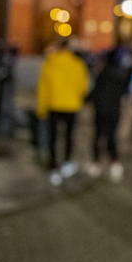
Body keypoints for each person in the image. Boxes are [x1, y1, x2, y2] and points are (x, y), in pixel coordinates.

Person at [36, 37, 91, 186]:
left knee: (53, 137)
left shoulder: (50, 63)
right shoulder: (79, 65)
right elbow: (84, 87)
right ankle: (67, 162)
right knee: (69, 135)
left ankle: (53, 166)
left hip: (54, 104)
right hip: (72, 105)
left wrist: (41, 108)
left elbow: (43, 88)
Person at [86, 48, 132, 182]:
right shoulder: (120, 75)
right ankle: (115, 163)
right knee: (111, 136)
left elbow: (95, 92)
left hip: (101, 110)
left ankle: (96, 162)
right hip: (114, 110)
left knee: (98, 135)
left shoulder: (102, 74)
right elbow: (124, 91)